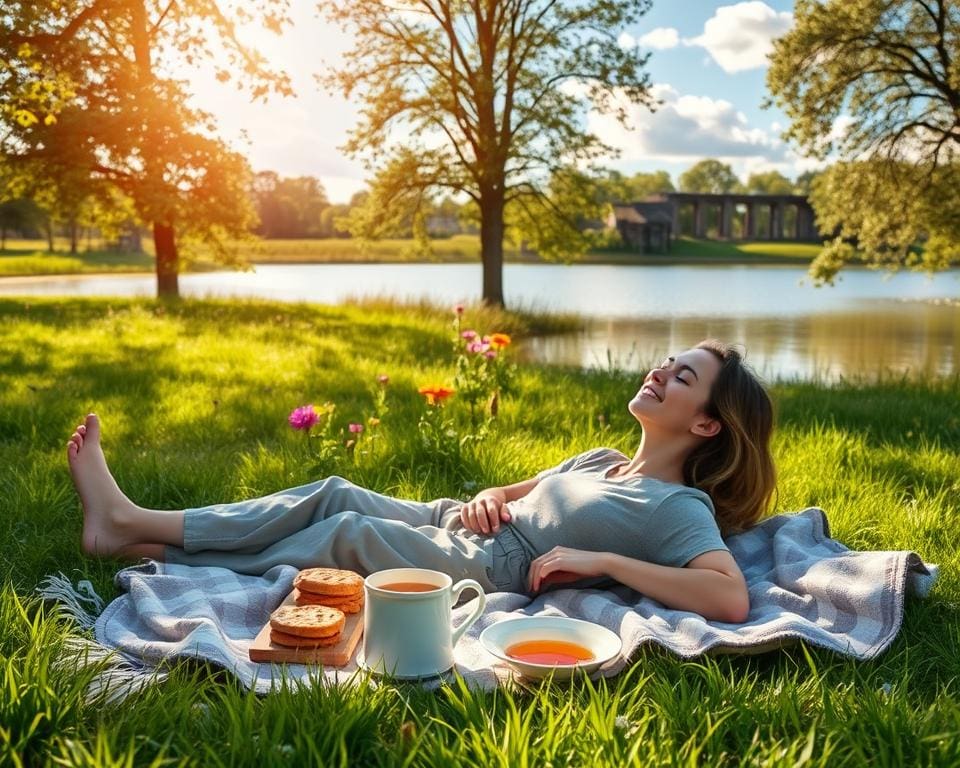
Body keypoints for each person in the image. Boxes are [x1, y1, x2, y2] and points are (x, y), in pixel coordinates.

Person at [67, 339, 775, 623]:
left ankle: (141, 540)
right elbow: (516, 492)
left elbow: (729, 597)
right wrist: (491, 495)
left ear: (708, 425)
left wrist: (605, 563)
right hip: (460, 520)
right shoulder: (599, 459)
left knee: (348, 534)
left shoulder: (677, 505)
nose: (659, 373)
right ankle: (135, 522)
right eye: (666, 362)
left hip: (493, 563)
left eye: (682, 378)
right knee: (334, 490)